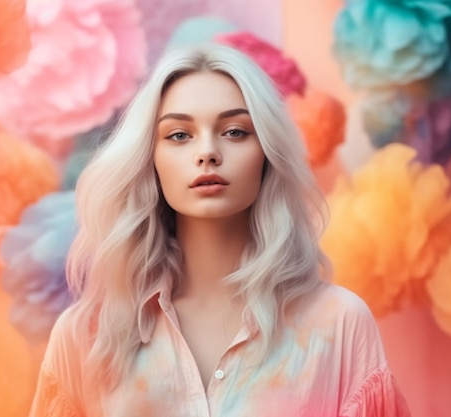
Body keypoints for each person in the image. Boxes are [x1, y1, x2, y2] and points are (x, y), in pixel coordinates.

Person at [28, 43, 411, 417]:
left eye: (235, 132)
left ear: (266, 155)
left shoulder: (338, 323)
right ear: (150, 159)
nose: (208, 152)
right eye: (179, 135)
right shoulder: (86, 338)